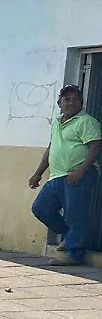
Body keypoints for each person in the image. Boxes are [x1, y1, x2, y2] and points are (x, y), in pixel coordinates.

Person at [29, 84, 101, 266]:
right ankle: (70, 238)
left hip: (78, 174)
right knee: (41, 208)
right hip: (57, 176)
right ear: (59, 103)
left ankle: (75, 254)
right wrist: (38, 173)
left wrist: (81, 170)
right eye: (66, 99)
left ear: (81, 103)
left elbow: (95, 146)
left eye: (75, 99)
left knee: (75, 214)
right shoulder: (57, 123)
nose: (71, 103)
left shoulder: (86, 121)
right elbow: (51, 148)